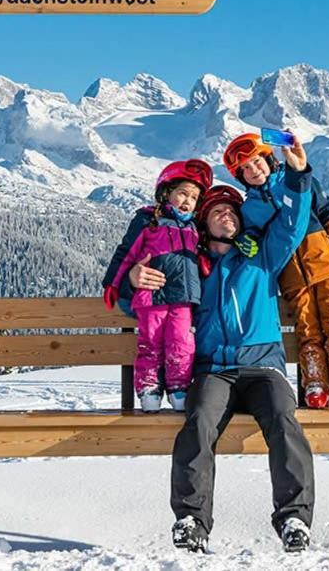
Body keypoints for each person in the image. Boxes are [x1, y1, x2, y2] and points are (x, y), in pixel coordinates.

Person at [123, 135, 316, 554]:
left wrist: (299, 173)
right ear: (205, 223)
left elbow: (293, 223)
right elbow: (142, 304)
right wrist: (132, 282)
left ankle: (295, 519)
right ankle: (192, 519)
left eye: (232, 210)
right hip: (213, 370)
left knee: (284, 422)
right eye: (218, 211)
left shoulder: (262, 255)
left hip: (264, 367)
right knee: (197, 423)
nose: (227, 215)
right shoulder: (192, 268)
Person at [223, 133, 329, 408]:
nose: (254, 170)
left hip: (324, 261)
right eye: (245, 169)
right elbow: (251, 235)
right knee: (307, 325)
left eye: (256, 162)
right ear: (240, 177)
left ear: (268, 158)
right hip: (291, 276)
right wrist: (245, 240)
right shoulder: (249, 208)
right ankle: (315, 382)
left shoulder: (297, 181)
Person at [101, 159, 212, 412]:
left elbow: (203, 258)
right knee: (150, 342)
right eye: (182, 193)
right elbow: (126, 253)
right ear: (166, 192)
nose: (187, 201)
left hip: (184, 298)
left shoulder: (195, 229)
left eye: (194, 197)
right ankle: (149, 386)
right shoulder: (149, 221)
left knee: (182, 343)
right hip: (152, 296)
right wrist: (113, 283)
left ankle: (179, 387)